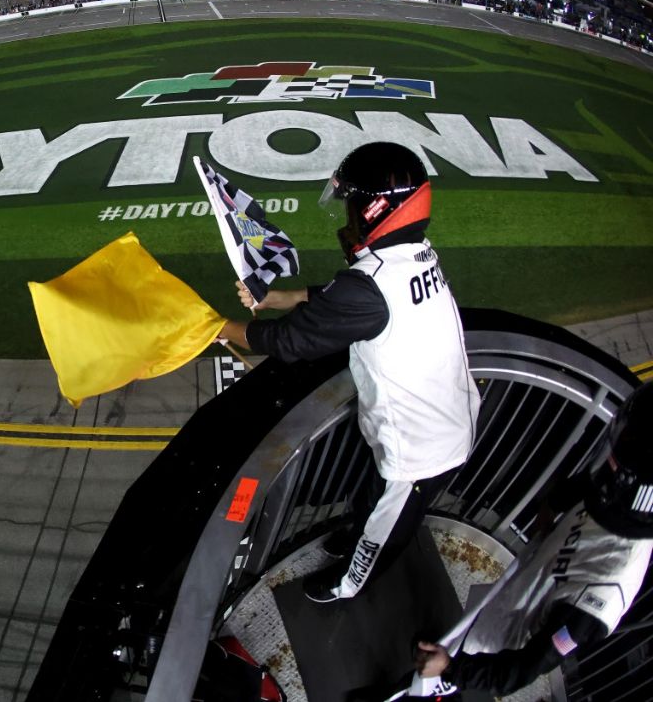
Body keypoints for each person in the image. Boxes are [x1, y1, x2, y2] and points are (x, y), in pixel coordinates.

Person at [215, 141, 480, 603]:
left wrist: (219, 327)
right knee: (371, 501)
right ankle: (358, 534)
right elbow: (345, 298)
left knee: (383, 530)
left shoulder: (371, 285)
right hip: (441, 420)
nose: (349, 214)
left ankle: (350, 582)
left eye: (353, 203)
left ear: (375, 209)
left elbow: (287, 342)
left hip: (419, 451)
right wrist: (279, 298)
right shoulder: (409, 257)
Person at [411, 383, 652, 694]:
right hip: (512, 593)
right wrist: (553, 504)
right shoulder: (617, 489)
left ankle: (434, 685)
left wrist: (452, 670)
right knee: (460, 637)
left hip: (499, 644)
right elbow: (591, 481)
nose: (609, 463)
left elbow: (522, 670)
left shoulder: (599, 600)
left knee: (437, 676)